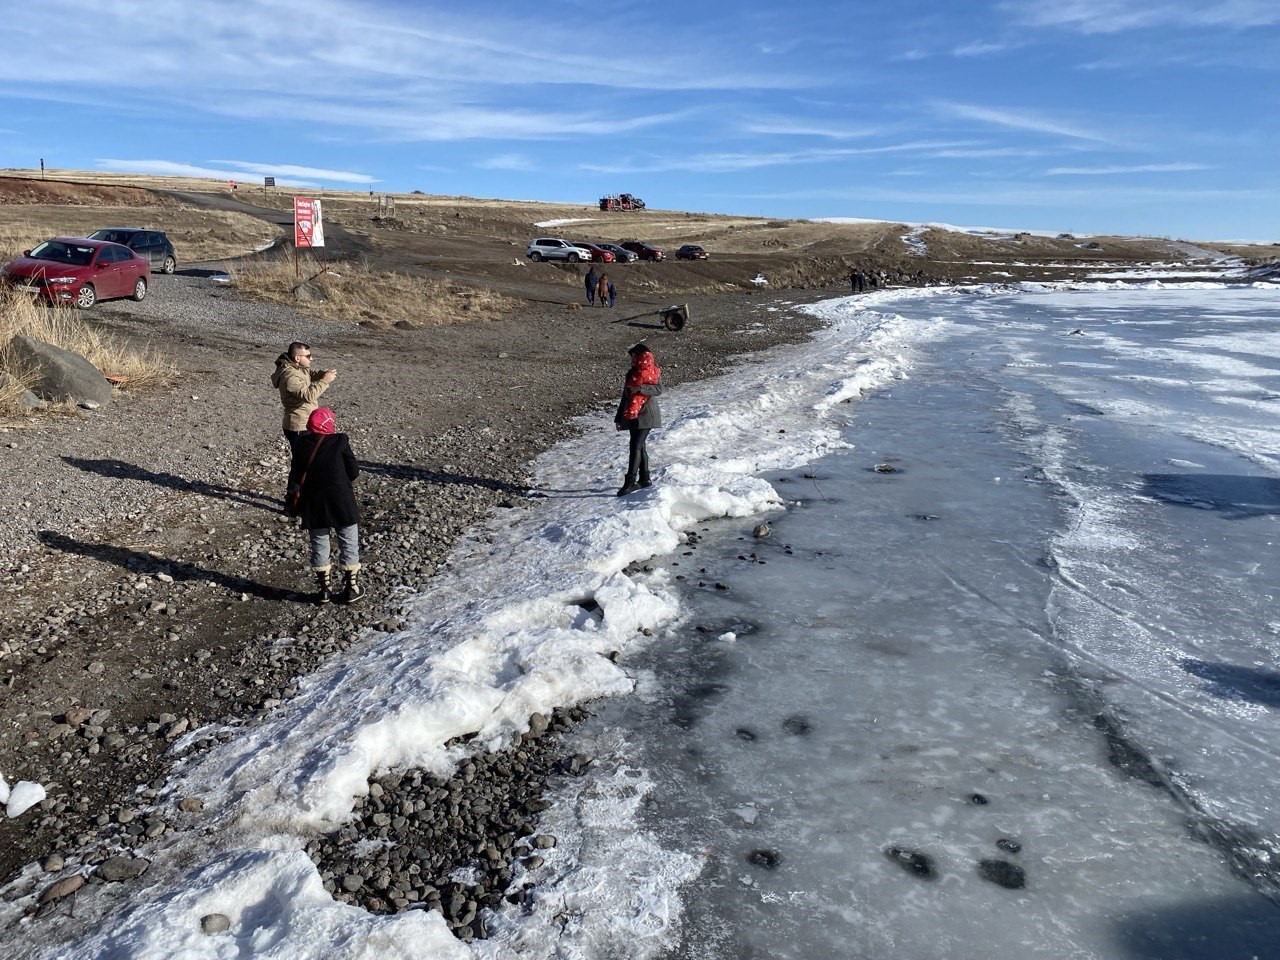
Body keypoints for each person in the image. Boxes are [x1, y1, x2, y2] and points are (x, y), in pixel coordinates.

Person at [289, 407, 365, 604]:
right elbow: (354, 472)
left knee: (319, 543)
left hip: (313, 502)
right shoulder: (340, 441)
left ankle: (324, 589)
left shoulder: (300, 444)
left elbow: (296, 476)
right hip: (341, 499)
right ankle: (351, 587)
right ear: (329, 423)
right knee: (348, 541)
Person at [272, 342, 336, 502]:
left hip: (304, 424)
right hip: (299, 427)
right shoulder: (290, 376)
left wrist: (322, 374)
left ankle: (302, 497)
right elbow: (308, 395)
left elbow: (308, 374)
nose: (311, 359)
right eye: (308, 356)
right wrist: (325, 381)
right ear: (297, 358)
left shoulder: (297, 368)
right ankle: (293, 501)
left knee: (307, 462)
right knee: (302, 465)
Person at [614, 342, 662, 496]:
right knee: (640, 446)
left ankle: (630, 482)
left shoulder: (652, 372)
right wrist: (619, 418)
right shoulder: (631, 374)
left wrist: (640, 388)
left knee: (635, 445)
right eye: (632, 358)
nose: (632, 360)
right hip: (632, 415)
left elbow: (659, 389)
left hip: (647, 415)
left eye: (634, 357)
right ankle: (645, 479)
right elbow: (625, 397)